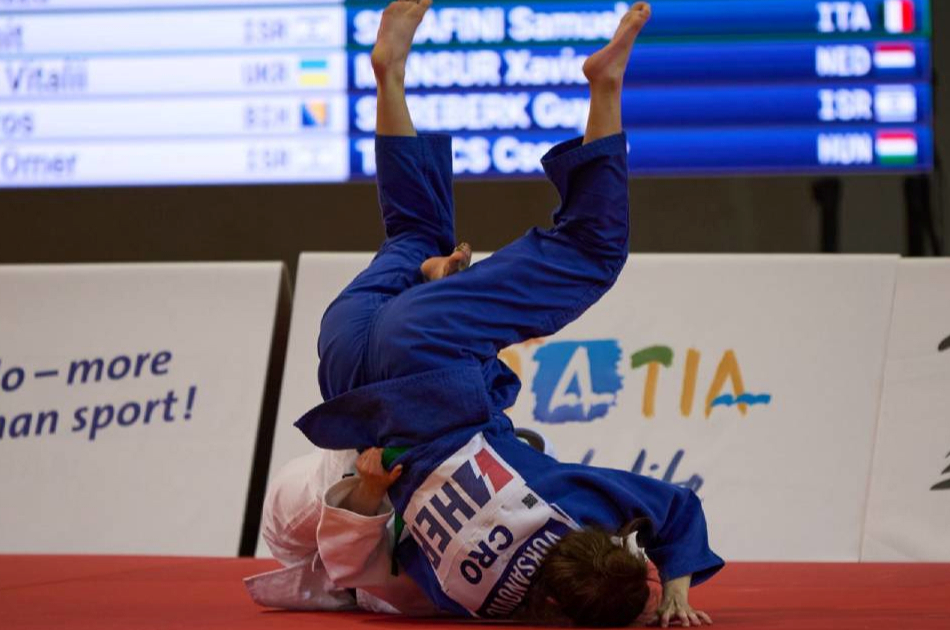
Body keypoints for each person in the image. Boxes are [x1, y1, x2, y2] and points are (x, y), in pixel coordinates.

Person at [247, 1, 723, 626]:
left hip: (429, 364)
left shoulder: (570, 504)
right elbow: (370, 572)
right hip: (346, 375)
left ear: (607, 539)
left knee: (592, 251)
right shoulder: (466, 600)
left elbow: (676, 509)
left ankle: (605, 87)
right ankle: (389, 78)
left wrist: (678, 593)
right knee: (416, 233)